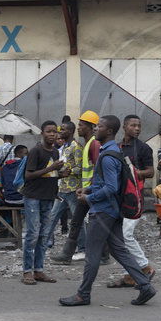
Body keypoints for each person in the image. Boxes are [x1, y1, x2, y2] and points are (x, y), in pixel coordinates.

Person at [59, 115, 156, 307]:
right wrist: (89, 189)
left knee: (93, 255)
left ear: (109, 131)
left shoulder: (107, 156)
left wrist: (89, 198)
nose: (96, 129)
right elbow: (107, 183)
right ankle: (145, 285)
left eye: (99, 127)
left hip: (103, 212)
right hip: (113, 211)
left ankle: (83, 294)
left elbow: (110, 188)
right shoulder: (113, 151)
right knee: (119, 251)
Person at [51, 110, 109, 265]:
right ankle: (68, 254)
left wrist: (90, 189)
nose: (78, 128)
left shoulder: (93, 144)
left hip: (91, 191)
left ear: (90, 127)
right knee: (77, 222)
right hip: (86, 190)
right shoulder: (87, 144)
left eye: (81, 125)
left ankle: (103, 255)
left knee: (90, 223)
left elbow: (98, 169)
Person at [107, 114, 156, 289]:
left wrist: (134, 172)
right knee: (119, 238)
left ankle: (145, 267)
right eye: (133, 125)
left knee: (126, 235)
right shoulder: (118, 147)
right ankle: (130, 275)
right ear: (125, 127)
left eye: (139, 126)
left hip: (134, 198)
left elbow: (150, 172)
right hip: (118, 198)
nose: (137, 128)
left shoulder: (143, 148)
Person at [21, 120, 70, 285]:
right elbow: (28, 175)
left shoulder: (55, 153)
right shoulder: (35, 151)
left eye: (54, 132)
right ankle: (27, 271)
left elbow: (50, 176)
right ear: (42, 133)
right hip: (33, 197)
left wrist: (61, 174)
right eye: (48, 131)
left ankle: (39, 270)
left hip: (48, 197)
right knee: (32, 234)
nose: (52, 134)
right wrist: (52, 168)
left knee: (44, 236)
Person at [46, 121, 85, 252]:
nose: (59, 131)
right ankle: (42, 245)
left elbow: (80, 168)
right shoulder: (64, 147)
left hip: (73, 190)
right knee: (52, 218)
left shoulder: (76, 147)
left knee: (77, 221)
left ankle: (83, 248)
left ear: (70, 131)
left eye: (62, 129)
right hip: (62, 189)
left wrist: (68, 171)